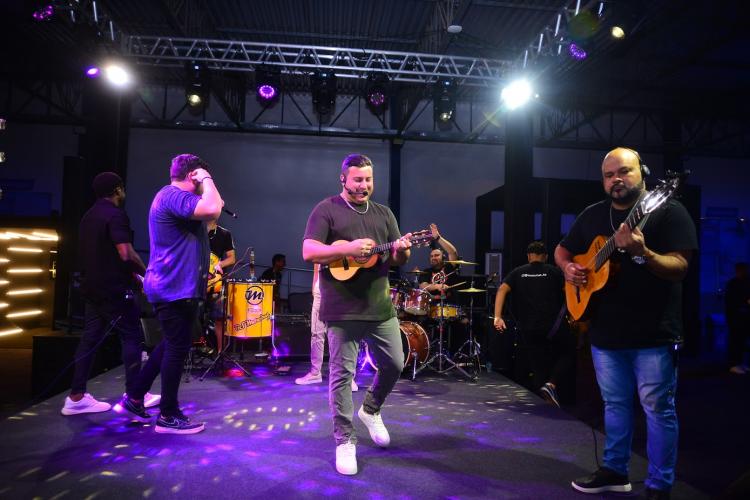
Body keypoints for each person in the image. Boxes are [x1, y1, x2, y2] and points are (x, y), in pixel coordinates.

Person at [555, 147, 697, 499]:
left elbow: (680, 267)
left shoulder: (668, 211)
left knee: (658, 410)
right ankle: (615, 470)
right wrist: (569, 268)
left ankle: (659, 485)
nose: (616, 180)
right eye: (609, 175)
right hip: (605, 333)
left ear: (642, 173)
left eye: (624, 171)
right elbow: (562, 250)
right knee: (615, 405)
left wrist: (642, 253)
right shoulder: (592, 214)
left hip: (654, 333)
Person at [302, 153, 412, 475]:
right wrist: (346, 249)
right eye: (358, 179)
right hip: (341, 308)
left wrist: (402, 250)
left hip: (380, 307)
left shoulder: (384, 214)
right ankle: (345, 440)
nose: (364, 185)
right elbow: (309, 251)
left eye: (368, 179)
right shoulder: (326, 209)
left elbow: (398, 259)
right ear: (343, 179)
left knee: (395, 363)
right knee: (341, 376)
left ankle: (371, 409)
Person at [117, 153, 223, 434]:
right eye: (200, 177)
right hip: (172, 287)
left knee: (173, 342)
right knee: (177, 347)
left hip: (176, 286)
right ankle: (168, 415)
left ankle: (135, 396)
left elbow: (213, 208)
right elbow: (214, 208)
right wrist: (206, 178)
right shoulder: (174, 196)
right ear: (192, 176)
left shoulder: (174, 198)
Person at [61, 172, 160, 415]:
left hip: (92, 288)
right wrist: (147, 275)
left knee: (89, 339)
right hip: (114, 289)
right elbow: (125, 253)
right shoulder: (116, 215)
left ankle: (76, 397)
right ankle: (135, 394)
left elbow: (102, 254)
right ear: (117, 190)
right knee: (132, 337)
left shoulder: (88, 216)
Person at [493, 240, 573, 408]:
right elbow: (569, 291)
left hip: (528, 327)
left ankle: (544, 402)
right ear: (546, 256)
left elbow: (501, 290)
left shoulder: (518, 272)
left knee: (537, 363)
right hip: (553, 326)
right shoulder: (554, 271)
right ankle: (552, 385)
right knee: (569, 352)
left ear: (529, 256)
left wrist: (497, 317)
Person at [295, 263, 358, 392]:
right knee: (316, 333)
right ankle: (315, 373)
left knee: (342, 334)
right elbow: (316, 264)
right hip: (320, 289)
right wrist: (314, 286)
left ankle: (347, 377)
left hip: (339, 289)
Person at [206, 215, 236, 351]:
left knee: (219, 318)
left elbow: (231, 258)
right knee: (190, 316)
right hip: (195, 281)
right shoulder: (194, 231)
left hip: (215, 282)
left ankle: (220, 353)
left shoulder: (224, 233)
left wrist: (220, 264)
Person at [418, 224, 460, 300]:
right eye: (431, 256)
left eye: (436, 255)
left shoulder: (449, 267)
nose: (433, 258)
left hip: (449, 304)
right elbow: (423, 286)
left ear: (443, 257)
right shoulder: (426, 272)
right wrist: (437, 286)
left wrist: (438, 237)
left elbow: (453, 252)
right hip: (432, 304)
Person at [725, 262, 750, 374]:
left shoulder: (745, 282)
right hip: (735, 318)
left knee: (742, 342)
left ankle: (740, 363)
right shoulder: (733, 284)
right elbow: (732, 302)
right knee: (735, 341)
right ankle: (733, 364)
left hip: (744, 318)